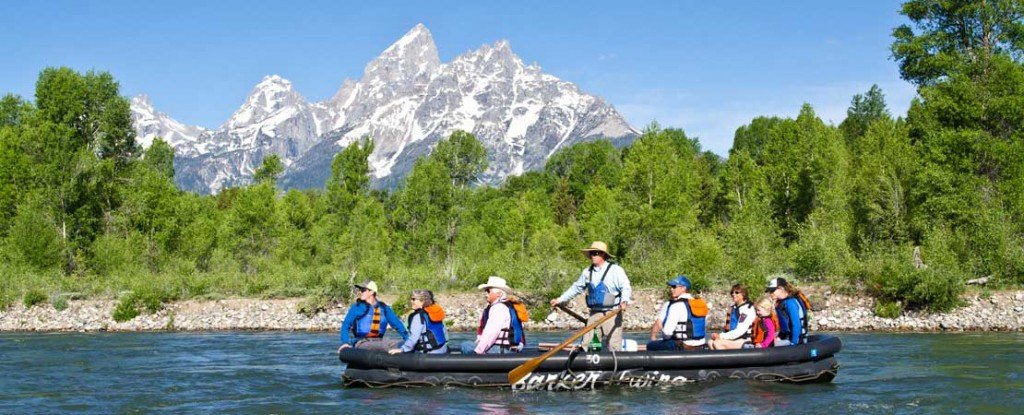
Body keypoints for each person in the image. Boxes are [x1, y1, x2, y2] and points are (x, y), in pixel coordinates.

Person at [550, 241, 632, 351]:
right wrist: (560, 299)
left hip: (612, 313)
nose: (592, 256)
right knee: (588, 344)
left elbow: (625, 287)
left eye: (595, 253)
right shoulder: (587, 272)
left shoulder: (615, 270)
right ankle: (589, 361)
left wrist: (624, 301)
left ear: (603, 255)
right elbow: (576, 288)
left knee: (613, 345)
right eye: (591, 253)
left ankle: (614, 363)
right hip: (595, 313)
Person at [460, 276, 528, 354]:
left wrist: (478, 351)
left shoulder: (498, 308)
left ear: (499, 294)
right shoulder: (507, 305)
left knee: (465, 345)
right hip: (510, 349)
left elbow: (491, 333)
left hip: (500, 350)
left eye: (488, 291)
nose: (485, 294)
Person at [338, 281, 409, 353]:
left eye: (363, 290)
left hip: (379, 341)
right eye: (361, 290)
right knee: (383, 346)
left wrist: (408, 340)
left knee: (401, 343)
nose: (360, 292)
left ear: (371, 292)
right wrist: (345, 342)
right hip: (361, 342)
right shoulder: (357, 307)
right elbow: (346, 325)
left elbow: (397, 325)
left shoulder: (384, 308)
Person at [646, 275, 710, 351]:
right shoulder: (700, 304)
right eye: (671, 287)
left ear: (684, 288)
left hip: (682, 346)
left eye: (674, 286)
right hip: (700, 345)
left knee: (650, 345)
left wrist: (662, 334)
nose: (671, 289)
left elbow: (667, 333)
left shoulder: (676, 305)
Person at [389, 290, 449, 355]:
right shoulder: (434, 313)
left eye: (413, 299)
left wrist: (402, 349)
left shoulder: (418, 316)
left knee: (399, 345)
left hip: (429, 354)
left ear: (422, 301)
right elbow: (444, 332)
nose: (411, 301)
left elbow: (413, 338)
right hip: (442, 350)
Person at [766, 277, 811, 346]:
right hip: (786, 337)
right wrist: (780, 337)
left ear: (781, 289)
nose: (770, 293)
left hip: (797, 340)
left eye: (772, 291)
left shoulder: (790, 302)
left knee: (770, 345)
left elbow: (796, 324)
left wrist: (794, 342)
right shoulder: (782, 302)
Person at [708, 284, 755, 350]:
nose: (733, 294)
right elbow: (729, 328)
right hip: (735, 337)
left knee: (718, 343)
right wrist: (718, 335)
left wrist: (721, 336)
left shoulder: (747, 309)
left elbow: (740, 331)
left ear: (743, 294)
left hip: (745, 339)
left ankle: (727, 360)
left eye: (736, 292)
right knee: (710, 342)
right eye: (732, 292)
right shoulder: (734, 308)